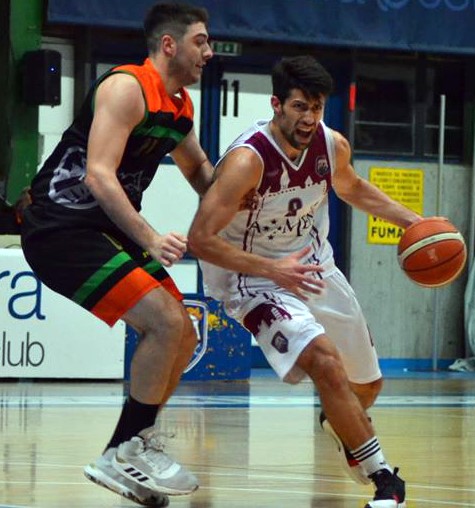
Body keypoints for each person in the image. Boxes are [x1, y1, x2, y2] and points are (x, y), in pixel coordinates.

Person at [188, 55, 425, 508]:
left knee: (367, 387)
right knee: (324, 360)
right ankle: (385, 481)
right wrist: (274, 270)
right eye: (299, 107)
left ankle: (339, 422)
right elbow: (200, 239)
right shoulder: (247, 160)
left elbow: (353, 187)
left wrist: (415, 222)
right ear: (277, 104)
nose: (309, 118)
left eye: (316, 108)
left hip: (314, 268)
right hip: (251, 277)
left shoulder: (330, 146)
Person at [20, 3, 215, 506]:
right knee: (166, 324)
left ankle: (128, 448)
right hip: (61, 225)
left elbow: (201, 175)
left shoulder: (180, 108)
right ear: (169, 44)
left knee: (184, 330)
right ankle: (126, 448)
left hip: (104, 229)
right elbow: (98, 176)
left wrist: (248, 196)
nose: (208, 52)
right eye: (201, 41)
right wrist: (151, 237)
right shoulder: (126, 88)